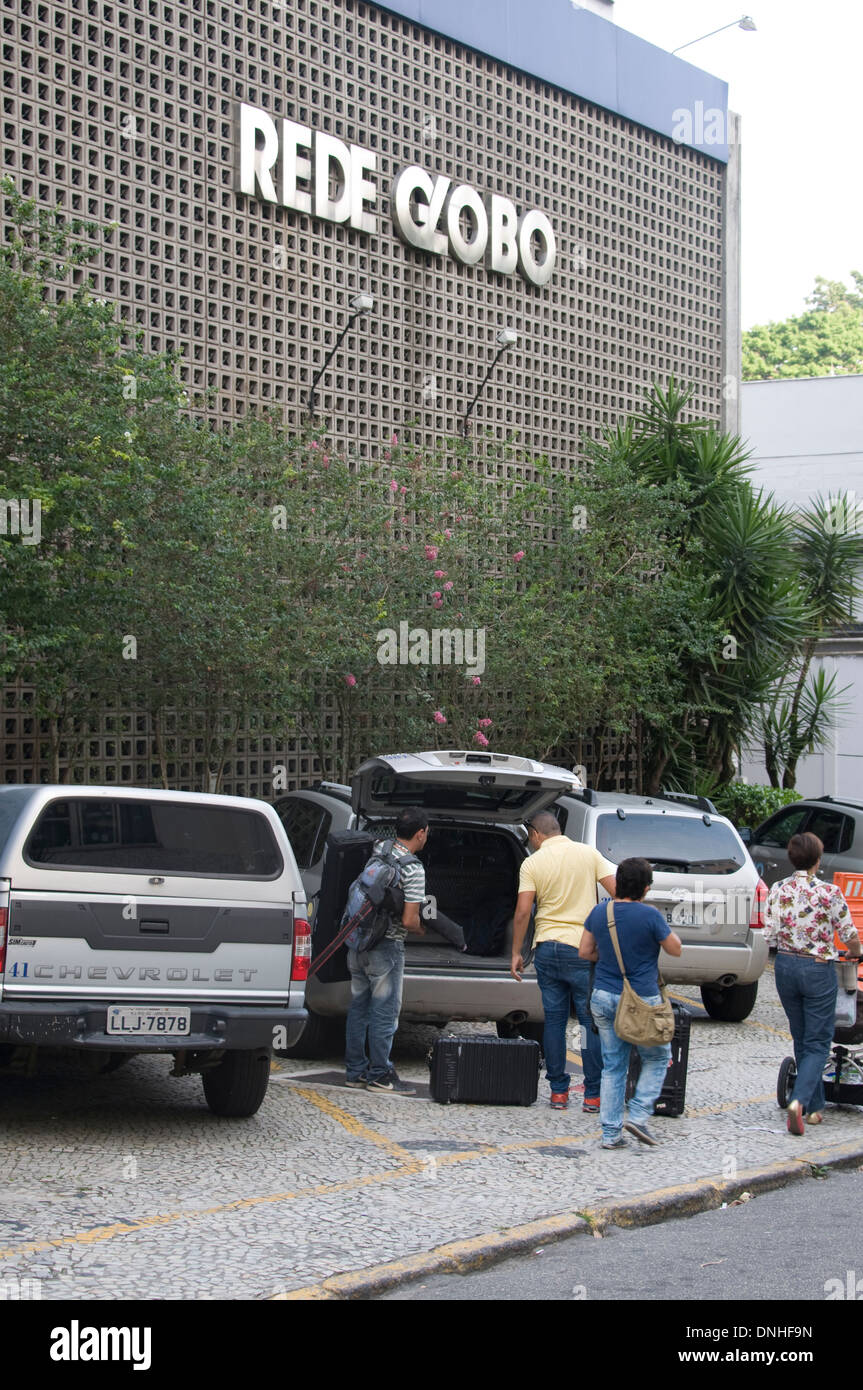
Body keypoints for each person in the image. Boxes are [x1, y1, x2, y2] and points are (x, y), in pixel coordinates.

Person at [511, 811, 616, 1112]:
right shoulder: (588, 854)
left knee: (554, 1022)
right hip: (582, 951)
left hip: (547, 950)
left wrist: (517, 952)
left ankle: (558, 1092)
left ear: (536, 834)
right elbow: (618, 893)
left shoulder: (532, 863)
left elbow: (522, 912)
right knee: (588, 1023)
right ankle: (592, 1094)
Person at [580, 856, 682, 1148]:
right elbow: (675, 950)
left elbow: (585, 952)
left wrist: (610, 959)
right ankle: (637, 1115)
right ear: (646, 889)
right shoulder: (650, 916)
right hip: (641, 1000)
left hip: (602, 995)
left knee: (613, 1066)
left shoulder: (600, 912)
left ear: (618, 883)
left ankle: (611, 1135)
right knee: (658, 1056)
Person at [764, 831, 861, 1135]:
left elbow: (769, 935)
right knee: (819, 1041)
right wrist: (856, 953)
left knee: (802, 1035)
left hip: (785, 967)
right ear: (818, 860)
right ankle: (799, 1101)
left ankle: (816, 1110)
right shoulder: (829, 893)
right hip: (818, 969)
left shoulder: (778, 889)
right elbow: (848, 934)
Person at [344, 808, 430, 1095]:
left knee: (359, 1008)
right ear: (421, 833)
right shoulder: (413, 869)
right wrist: (422, 930)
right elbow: (409, 920)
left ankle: (355, 1071)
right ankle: (380, 1074)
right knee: (385, 1011)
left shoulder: (380, 851)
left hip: (358, 942)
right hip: (386, 947)